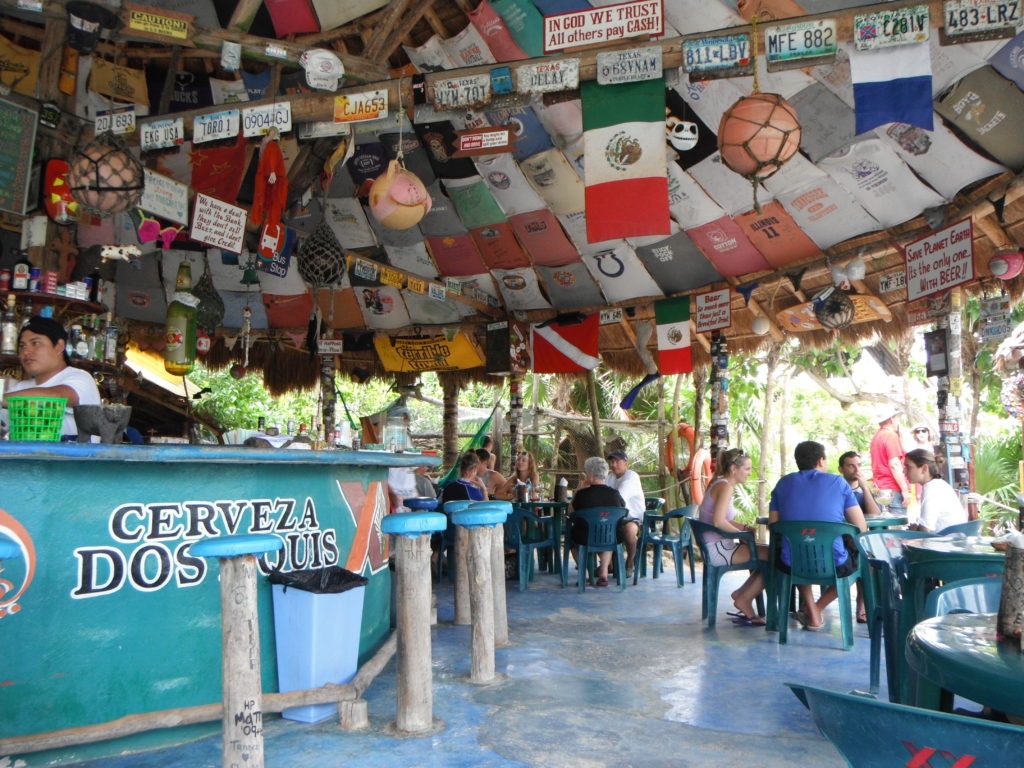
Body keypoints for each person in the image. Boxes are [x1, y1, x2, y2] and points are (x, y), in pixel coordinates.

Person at [769, 441, 868, 632]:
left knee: (795, 551)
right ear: (821, 460)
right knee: (857, 558)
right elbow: (860, 527)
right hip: (835, 563)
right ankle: (817, 608)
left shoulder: (783, 484)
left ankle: (813, 611)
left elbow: (774, 527)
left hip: (793, 563)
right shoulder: (838, 482)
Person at [2, 316, 100, 440]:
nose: (26, 351)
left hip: (75, 459)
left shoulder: (80, 378)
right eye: (22, 346)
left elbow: (57, 396)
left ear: (59, 346)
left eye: (35, 343)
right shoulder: (19, 387)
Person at [698, 448, 766, 625]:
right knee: (776, 556)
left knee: (768, 553)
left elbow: (722, 518)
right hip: (718, 550)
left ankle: (742, 595)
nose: (750, 473)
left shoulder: (718, 483)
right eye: (747, 469)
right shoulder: (725, 487)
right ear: (734, 469)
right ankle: (744, 598)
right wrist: (743, 535)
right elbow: (719, 522)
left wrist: (742, 527)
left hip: (715, 545)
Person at [568, 456, 626, 587]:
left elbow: (570, 512)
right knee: (608, 532)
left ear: (590, 475)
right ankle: (604, 573)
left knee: (572, 538)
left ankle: (585, 575)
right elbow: (623, 508)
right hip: (611, 538)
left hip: (585, 538)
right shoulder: (614, 494)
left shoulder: (582, 495)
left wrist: (578, 490)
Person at [905, 449, 967, 533]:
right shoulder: (938, 484)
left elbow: (925, 531)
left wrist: (915, 530)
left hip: (947, 543)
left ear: (924, 468)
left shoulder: (931, 488)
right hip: (953, 540)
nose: (904, 471)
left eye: (909, 467)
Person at [605, 449, 644, 578]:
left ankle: (630, 562)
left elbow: (618, 498)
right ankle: (607, 564)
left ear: (626, 463)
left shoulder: (631, 476)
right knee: (598, 527)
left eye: (617, 461)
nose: (613, 464)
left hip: (633, 517)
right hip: (615, 516)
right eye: (611, 461)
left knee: (629, 530)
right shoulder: (610, 477)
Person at [869, 408, 909, 506]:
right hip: (892, 489)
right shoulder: (890, 435)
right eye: (897, 418)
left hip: (879, 488)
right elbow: (894, 464)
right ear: (892, 419)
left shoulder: (877, 436)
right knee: (898, 520)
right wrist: (904, 489)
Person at [838, 451, 883, 518]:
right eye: (851, 466)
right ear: (841, 469)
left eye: (859, 465)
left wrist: (865, 488)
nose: (857, 470)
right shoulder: (835, 490)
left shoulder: (872, 490)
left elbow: (876, 516)